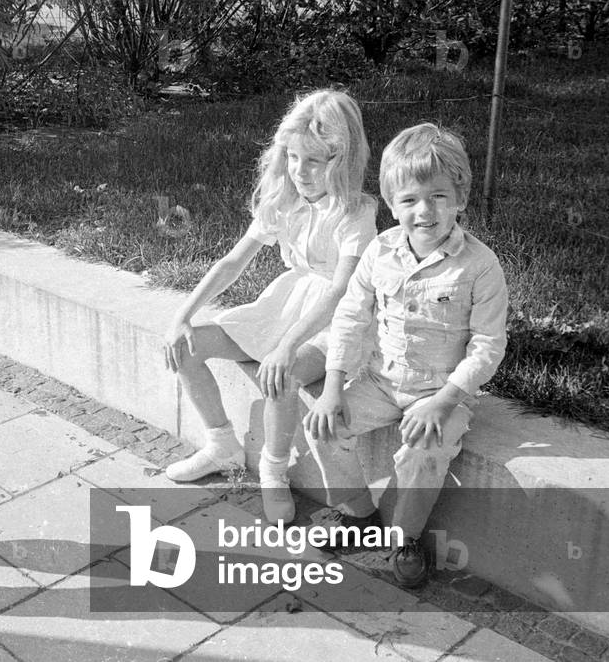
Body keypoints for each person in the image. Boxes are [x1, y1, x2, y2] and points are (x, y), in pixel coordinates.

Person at [302, 123, 508, 588]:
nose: (424, 210)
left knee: (426, 452)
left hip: (440, 390)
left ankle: (403, 538)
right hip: (381, 380)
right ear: (393, 206)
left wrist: (446, 400)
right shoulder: (380, 251)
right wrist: (333, 386)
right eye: (410, 200)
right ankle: (358, 514)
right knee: (321, 425)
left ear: (461, 199)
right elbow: (352, 317)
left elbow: (488, 344)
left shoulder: (480, 266)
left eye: (438, 196)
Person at [163, 90, 378, 524]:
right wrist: (182, 315)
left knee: (282, 376)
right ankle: (221, 442)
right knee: (185, 347)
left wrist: (287, 345)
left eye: (315, 161)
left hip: (334, 321)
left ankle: (273, 471)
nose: (301, 171)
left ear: (343, 159)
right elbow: (233, 261)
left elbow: (341, 290)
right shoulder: (284, 198)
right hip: (285, 303)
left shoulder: (357, 212)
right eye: (294, 157)